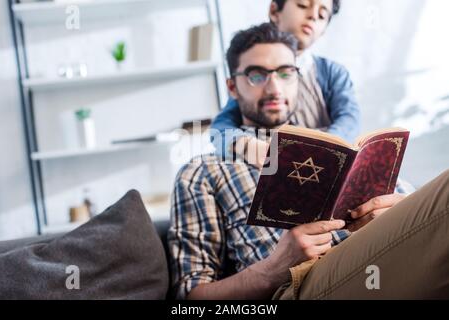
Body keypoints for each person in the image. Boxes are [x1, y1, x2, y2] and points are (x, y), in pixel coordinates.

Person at [168, 23, 448, 300]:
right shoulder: (204, 171)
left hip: (389, 260)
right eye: (257, 75)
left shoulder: (339, 149)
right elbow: (190, 296)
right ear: (232, 87)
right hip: (305, 285)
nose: (274, 87)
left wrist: (399, 210)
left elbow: (428, 215)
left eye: (285, 73)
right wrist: (274, 268)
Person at [211, 0, 360, 167]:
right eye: (303, 5)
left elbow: (349, 120)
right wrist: (246, 146)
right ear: (275, 11)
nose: (312, 16)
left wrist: (322, 150)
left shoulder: (331, 73)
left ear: (325, 29)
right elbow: (221, 126)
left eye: (322, 15)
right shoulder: (247, 81)